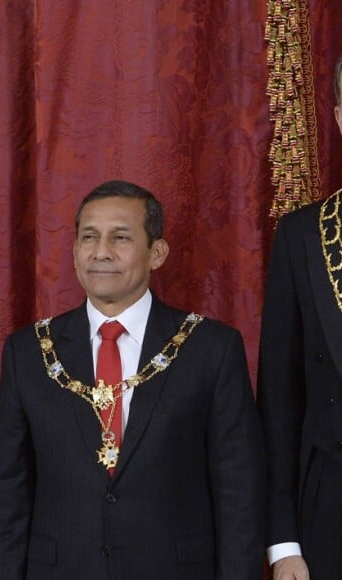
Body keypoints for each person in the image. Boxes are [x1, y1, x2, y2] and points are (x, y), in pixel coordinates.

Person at [0, 180, 265, 579]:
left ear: (157, 252)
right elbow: (8, 495)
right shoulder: (28, 351)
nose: (101, 252)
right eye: (89, 237)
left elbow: (240, 492)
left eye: (120, 237)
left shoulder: (211, 348)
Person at [257, 55, 342, 580]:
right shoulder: (302, 237)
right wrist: (283, 543)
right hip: (329, 512)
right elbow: (279, 403)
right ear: (338, 115)